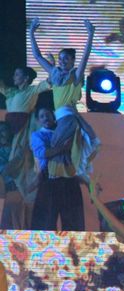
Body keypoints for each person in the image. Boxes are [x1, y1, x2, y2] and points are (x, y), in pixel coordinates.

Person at [29, 18, 100, 191]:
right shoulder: (55, 74)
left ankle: (53, 180)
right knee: (63, 151)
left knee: (55, 147)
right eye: (60, 58)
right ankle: (69, 181)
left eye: (66, 59)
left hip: (68, 118)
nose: (62, 61)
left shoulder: (75, 76)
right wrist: (31, 32)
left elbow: (85, 58)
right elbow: (37, 56)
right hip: (63, 119)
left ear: (72, 61)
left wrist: (90, 34)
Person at [0, 66, 51, 228]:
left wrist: (50, 66)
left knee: (24, 162)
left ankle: (28, 195)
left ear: (26, 78)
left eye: (17, 74)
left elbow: (48, 83)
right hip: (12, 132)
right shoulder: (11, 92)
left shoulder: (31, 91)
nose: (14, 77)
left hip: (23, 132)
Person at [30, 107, 85, 231]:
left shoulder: (64, 131)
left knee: (73, 221)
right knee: (46, 222)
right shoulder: (38, 135)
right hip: (49, 180)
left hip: (68, 178)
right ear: (38, 120)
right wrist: (62, 148)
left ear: (53, 115)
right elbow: (42, 153)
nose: (46, 118)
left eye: (47, 114)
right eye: (42, 116)